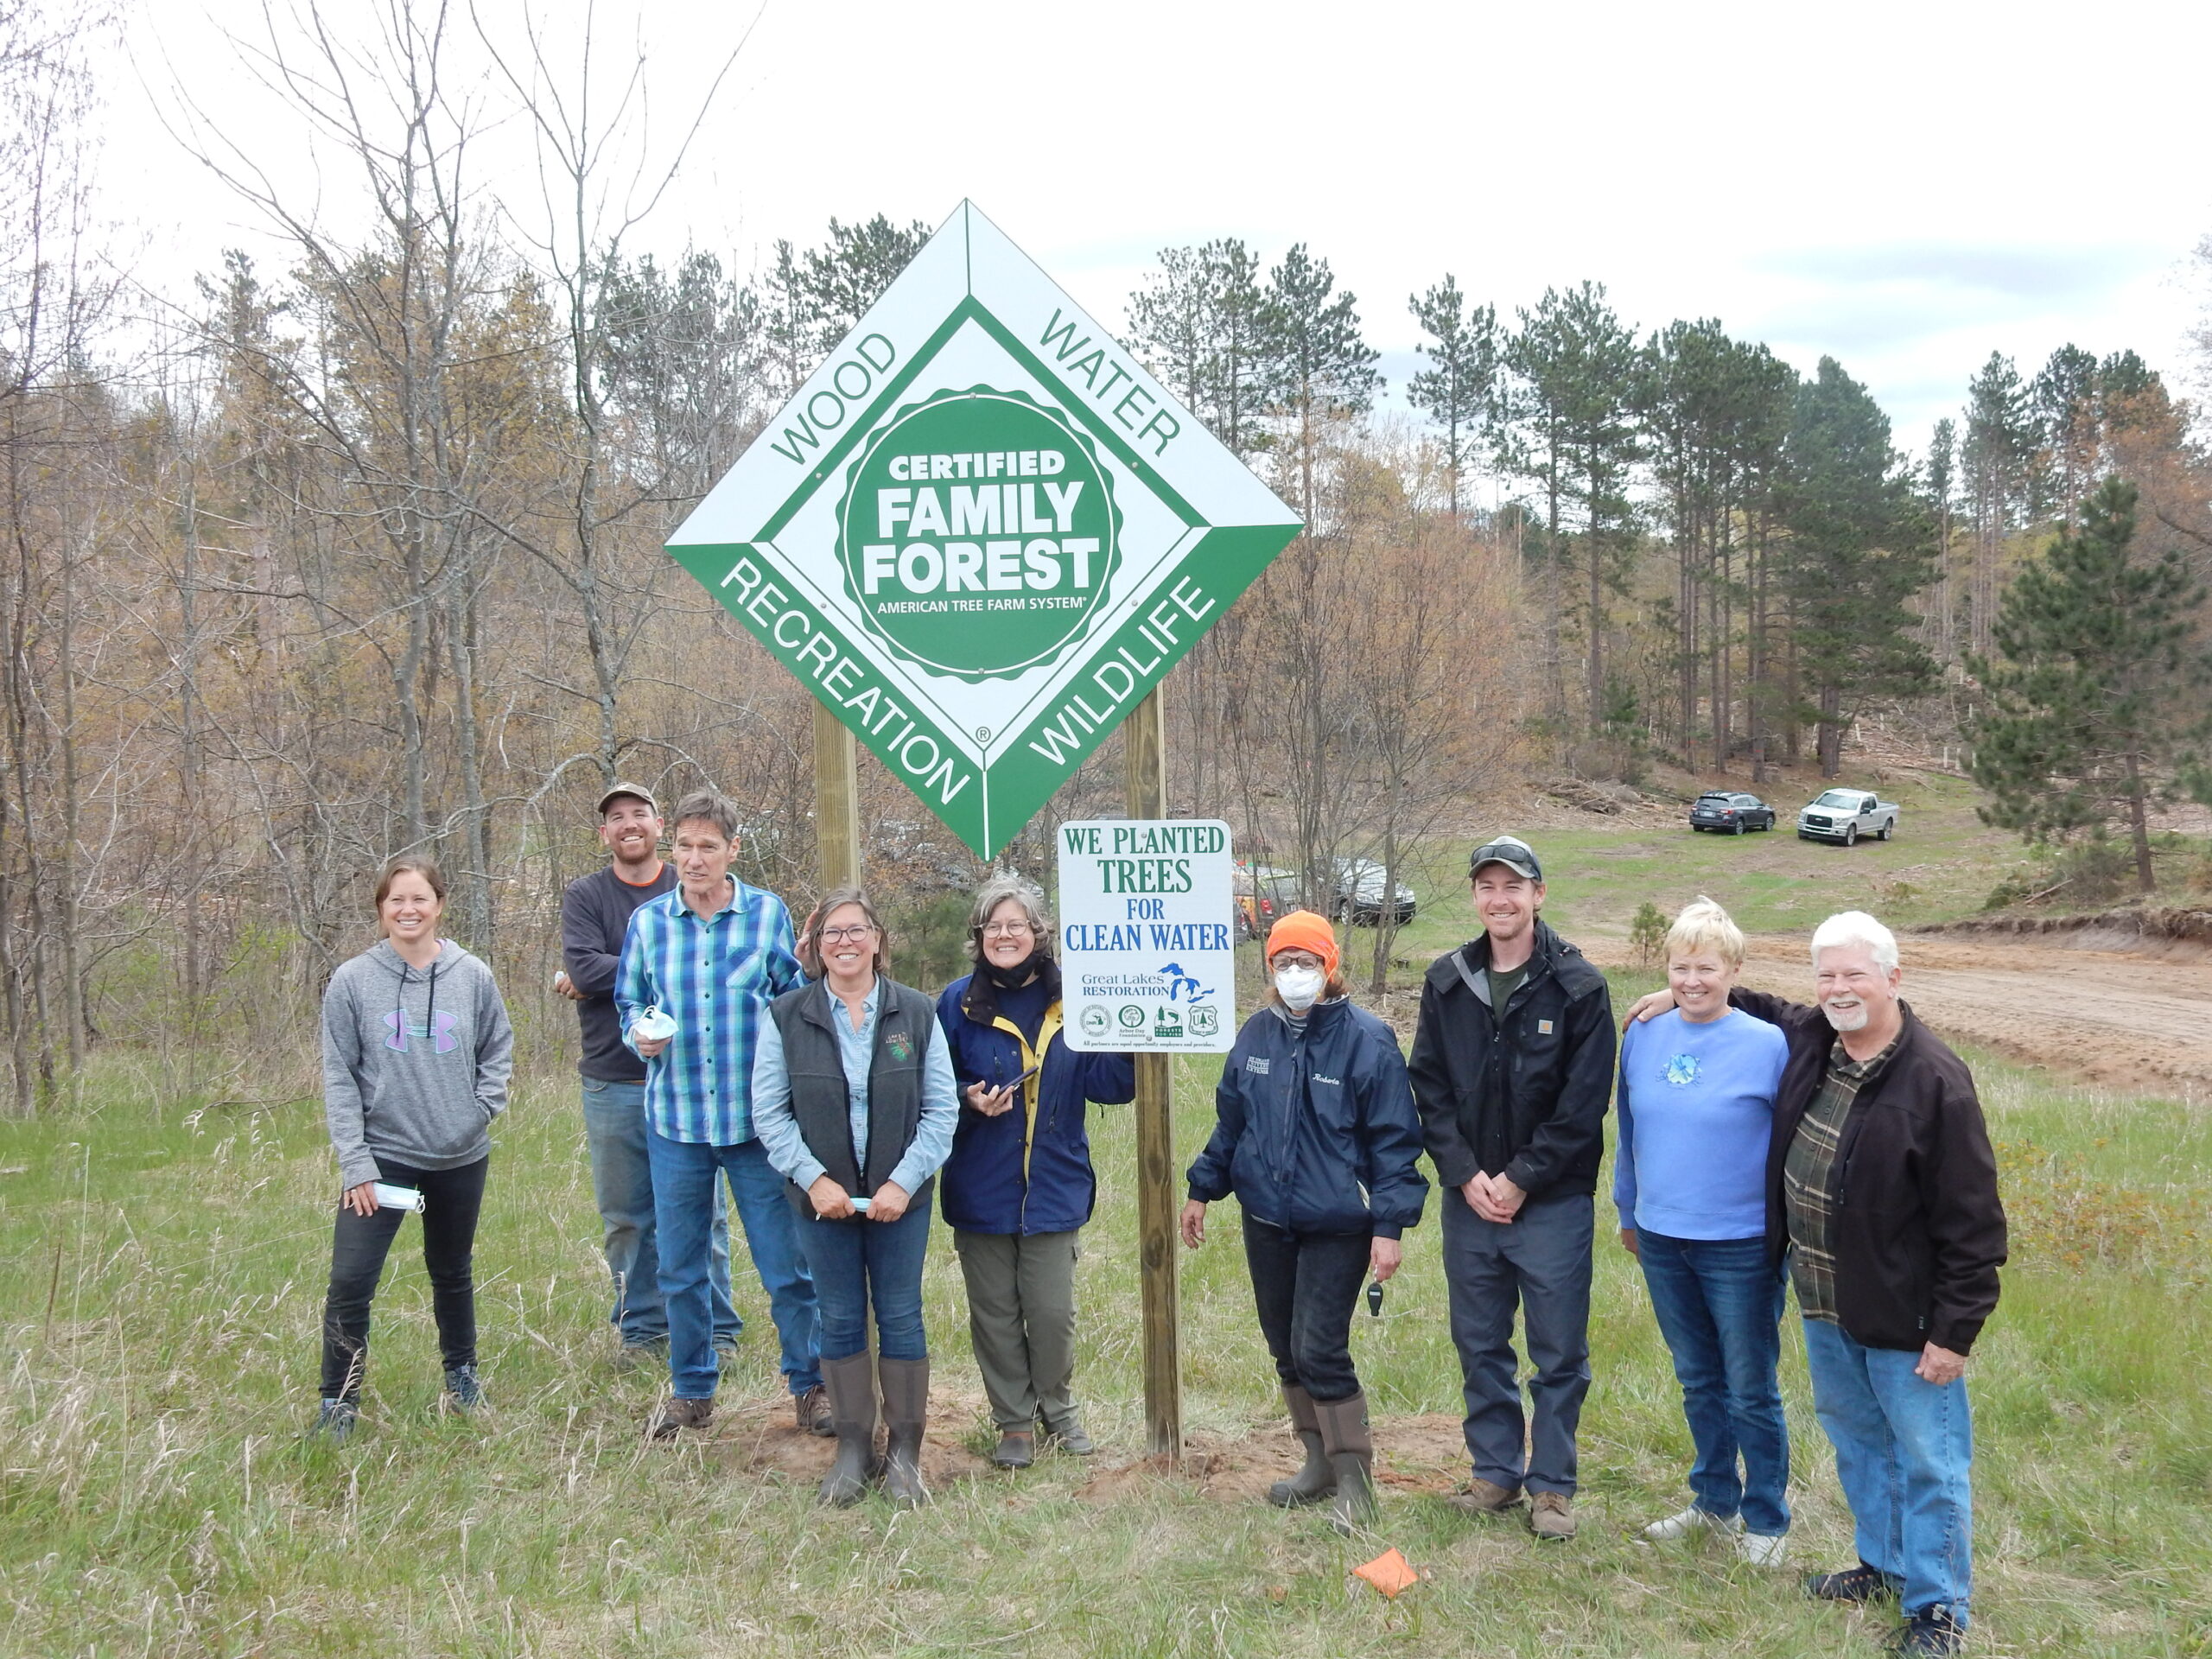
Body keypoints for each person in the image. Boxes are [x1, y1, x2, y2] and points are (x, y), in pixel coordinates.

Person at [1630, 912, 2005, 1656]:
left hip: (1906, 1310)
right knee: (1860, 1441)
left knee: (1929, 1457)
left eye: (1855, 975)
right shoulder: (1818, 1042)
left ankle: (1938, 1609)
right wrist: (1680, 994)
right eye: (1827, 975)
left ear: (1893, 979)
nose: (1839, 989)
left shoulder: (1935, 1081)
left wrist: (1953, 1333)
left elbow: (1973, 1225)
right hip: (1827, 1301)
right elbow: (1757, 1004)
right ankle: (1883, 1564)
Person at [1180, 910, 1429, 1534]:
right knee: (1284, 1348)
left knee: (1320, 1348)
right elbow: (1231, 1122)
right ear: (1270, 969)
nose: (1296, 973)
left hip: (1338, 1224)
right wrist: (1201, 1189)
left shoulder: (1367, 1040)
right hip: (1267, 1218)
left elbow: (1395, 1142)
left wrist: (1390, 1226)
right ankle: (1315, 1462)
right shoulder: (1257, 1035)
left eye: (1308, 962)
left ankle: (1355, 1481)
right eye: (1285, 962)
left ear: (1330, 967)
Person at [1408, 835, 1614, 1541]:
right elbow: (1429, 1088)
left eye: (1513, 886)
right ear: (1475, 896)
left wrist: (1522, 1179)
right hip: (1470, 1203)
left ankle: (1552, 1486)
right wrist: (1464, 1174)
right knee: (1480, 1341)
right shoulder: (1446, 981)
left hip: (1550, 1203)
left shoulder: (1579, 986)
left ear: (1538, 895)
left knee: (1558, 1351)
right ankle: (1495, 1472)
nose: (1500, 899)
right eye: (1487, 887)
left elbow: (1583, 1104)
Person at [615, 790, 823, 1440]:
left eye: (708, 847)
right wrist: (639, 1036)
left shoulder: (767, 916)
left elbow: (794, 1004)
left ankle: (811, 1386)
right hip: (676, 1120)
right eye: (684, 846)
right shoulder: (649, 924)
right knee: (680, 1267)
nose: (694, 858)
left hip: (756, 1125)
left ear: (733, 851)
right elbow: (629, 1003)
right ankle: (692, 1390)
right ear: (670, 849)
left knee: (786, 1265)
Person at [752, 888, 959, 1506]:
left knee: (900, 1314)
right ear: (815, 948)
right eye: (831, 934)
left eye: (855, 930)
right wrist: (815, 1180)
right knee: (839, 1316)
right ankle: (851, 1448)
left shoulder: (917, 1014)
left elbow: (941, 1110)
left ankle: (904, 1452)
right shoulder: (787, 1016)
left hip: (902, 1203)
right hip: (822, 1203)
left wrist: (903, 1182)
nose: (844, 942)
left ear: (877, 940)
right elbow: (770, 1111)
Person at [1613, 898, 1791, 1565]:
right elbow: (1629, 1130)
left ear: (1734, 970)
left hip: (1740, 1244)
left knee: (1750, 1384)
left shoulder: (1766, 1044)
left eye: (1707, 969)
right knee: (1698, 1378)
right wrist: (1628, 1211)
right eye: (1680, 968)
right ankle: (1713, 1501)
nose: (1692, 981)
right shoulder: (1644, 1034)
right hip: (1662, 1238)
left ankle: (1766, 1519)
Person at [313, 856, 514, 1443]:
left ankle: (462, 1375)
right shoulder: (352, 981)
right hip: (383, 1158)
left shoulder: (471, 974)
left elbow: (498, 1047)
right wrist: (357, 1162)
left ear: (439, 905)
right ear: (380, 909)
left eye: (419, 899)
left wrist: (479, 1112)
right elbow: (339, 1076)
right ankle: (338, 1402)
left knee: (451, 1271)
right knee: (351, 1279)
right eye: (396, 900)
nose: (408, 910)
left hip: (460, 1156)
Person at [937, 874, 1135, 1467]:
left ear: (1037, 932)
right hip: (980, 1185)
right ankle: (1013, 1424)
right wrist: (965, 1100)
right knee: (994, 1314)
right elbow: (927, 1089)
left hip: (1055, 1184)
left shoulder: (1076, 996)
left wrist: (1139, 1035)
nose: (1004, 935)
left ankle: (1060, 1411)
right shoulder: (954, 1004)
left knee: (1051, 1314)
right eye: (993, 926)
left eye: (1015, 925)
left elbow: (1112, 1084)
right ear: (978, 936)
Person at [555, 784, 742, 1368]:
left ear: (661, 826)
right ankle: (641, 1333)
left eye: (639, 814)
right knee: (628, 1218)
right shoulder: (586, 895)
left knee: (703, 1218)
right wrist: (671, 965)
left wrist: (606, 977)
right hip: (613, 1081)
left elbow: (725, 957)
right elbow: (581, 961)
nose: (628, 824)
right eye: (616, 818)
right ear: (604, 833)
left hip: (693, 1081)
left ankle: (719, 1331)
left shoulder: (688, 878)